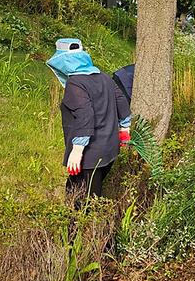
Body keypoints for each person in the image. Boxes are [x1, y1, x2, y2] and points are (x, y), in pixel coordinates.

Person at [46, 39, 131, 205]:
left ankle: (86, 230)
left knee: (84, 202)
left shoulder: (75, 83)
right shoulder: (104, 77)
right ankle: (78, 227)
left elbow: (85, 115)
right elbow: (121, 100)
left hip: (89, 155)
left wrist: (77, 150)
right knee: (76, 190)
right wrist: (124, 129)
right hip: (109, 149)